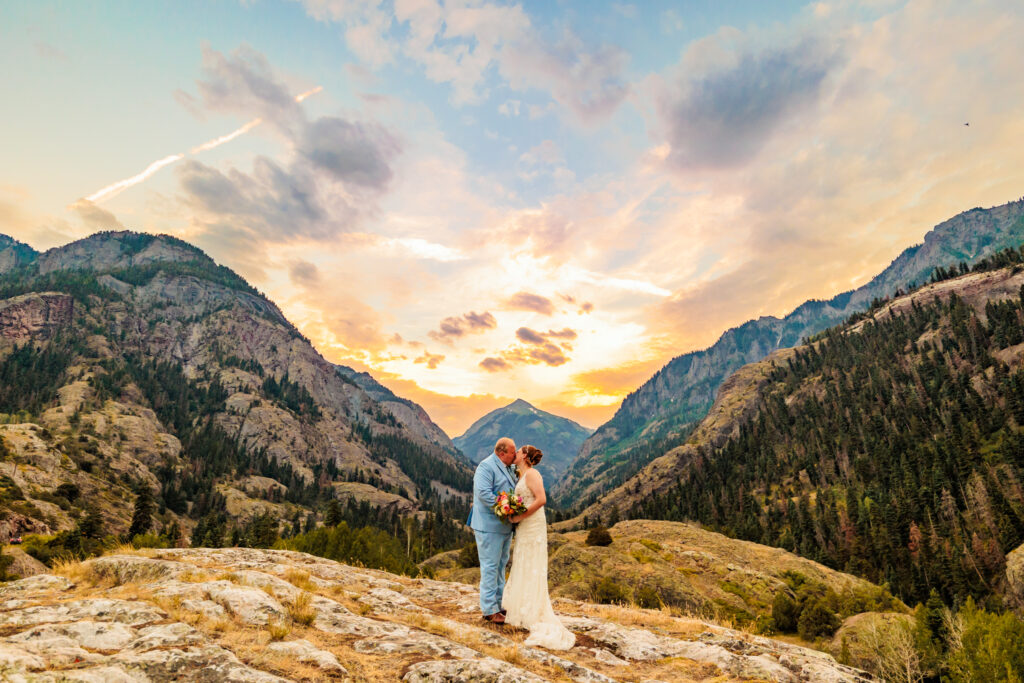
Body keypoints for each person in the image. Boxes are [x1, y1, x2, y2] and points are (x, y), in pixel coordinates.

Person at [501, 445, 575, 650]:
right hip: (525, 524)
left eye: (517, 452)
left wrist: (520, 516)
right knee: (523, 561)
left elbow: (542, 499)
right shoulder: (522, 475)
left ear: (524, 455)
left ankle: (532, 609)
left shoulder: (532, 474)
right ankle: (522, 606)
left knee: (532, 562)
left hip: (532, 523)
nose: (514, 454)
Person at [468, 436, 518, 624]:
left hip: (503, 527)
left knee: (500, 566)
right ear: (502, 452)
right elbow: (484, 494)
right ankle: (489, 609)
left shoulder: (507, 467)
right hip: (489, 526)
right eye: (513, 452)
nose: (515, 455)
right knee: (490, 567)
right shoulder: (486, 467)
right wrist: (507, 509)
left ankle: (498, 605)